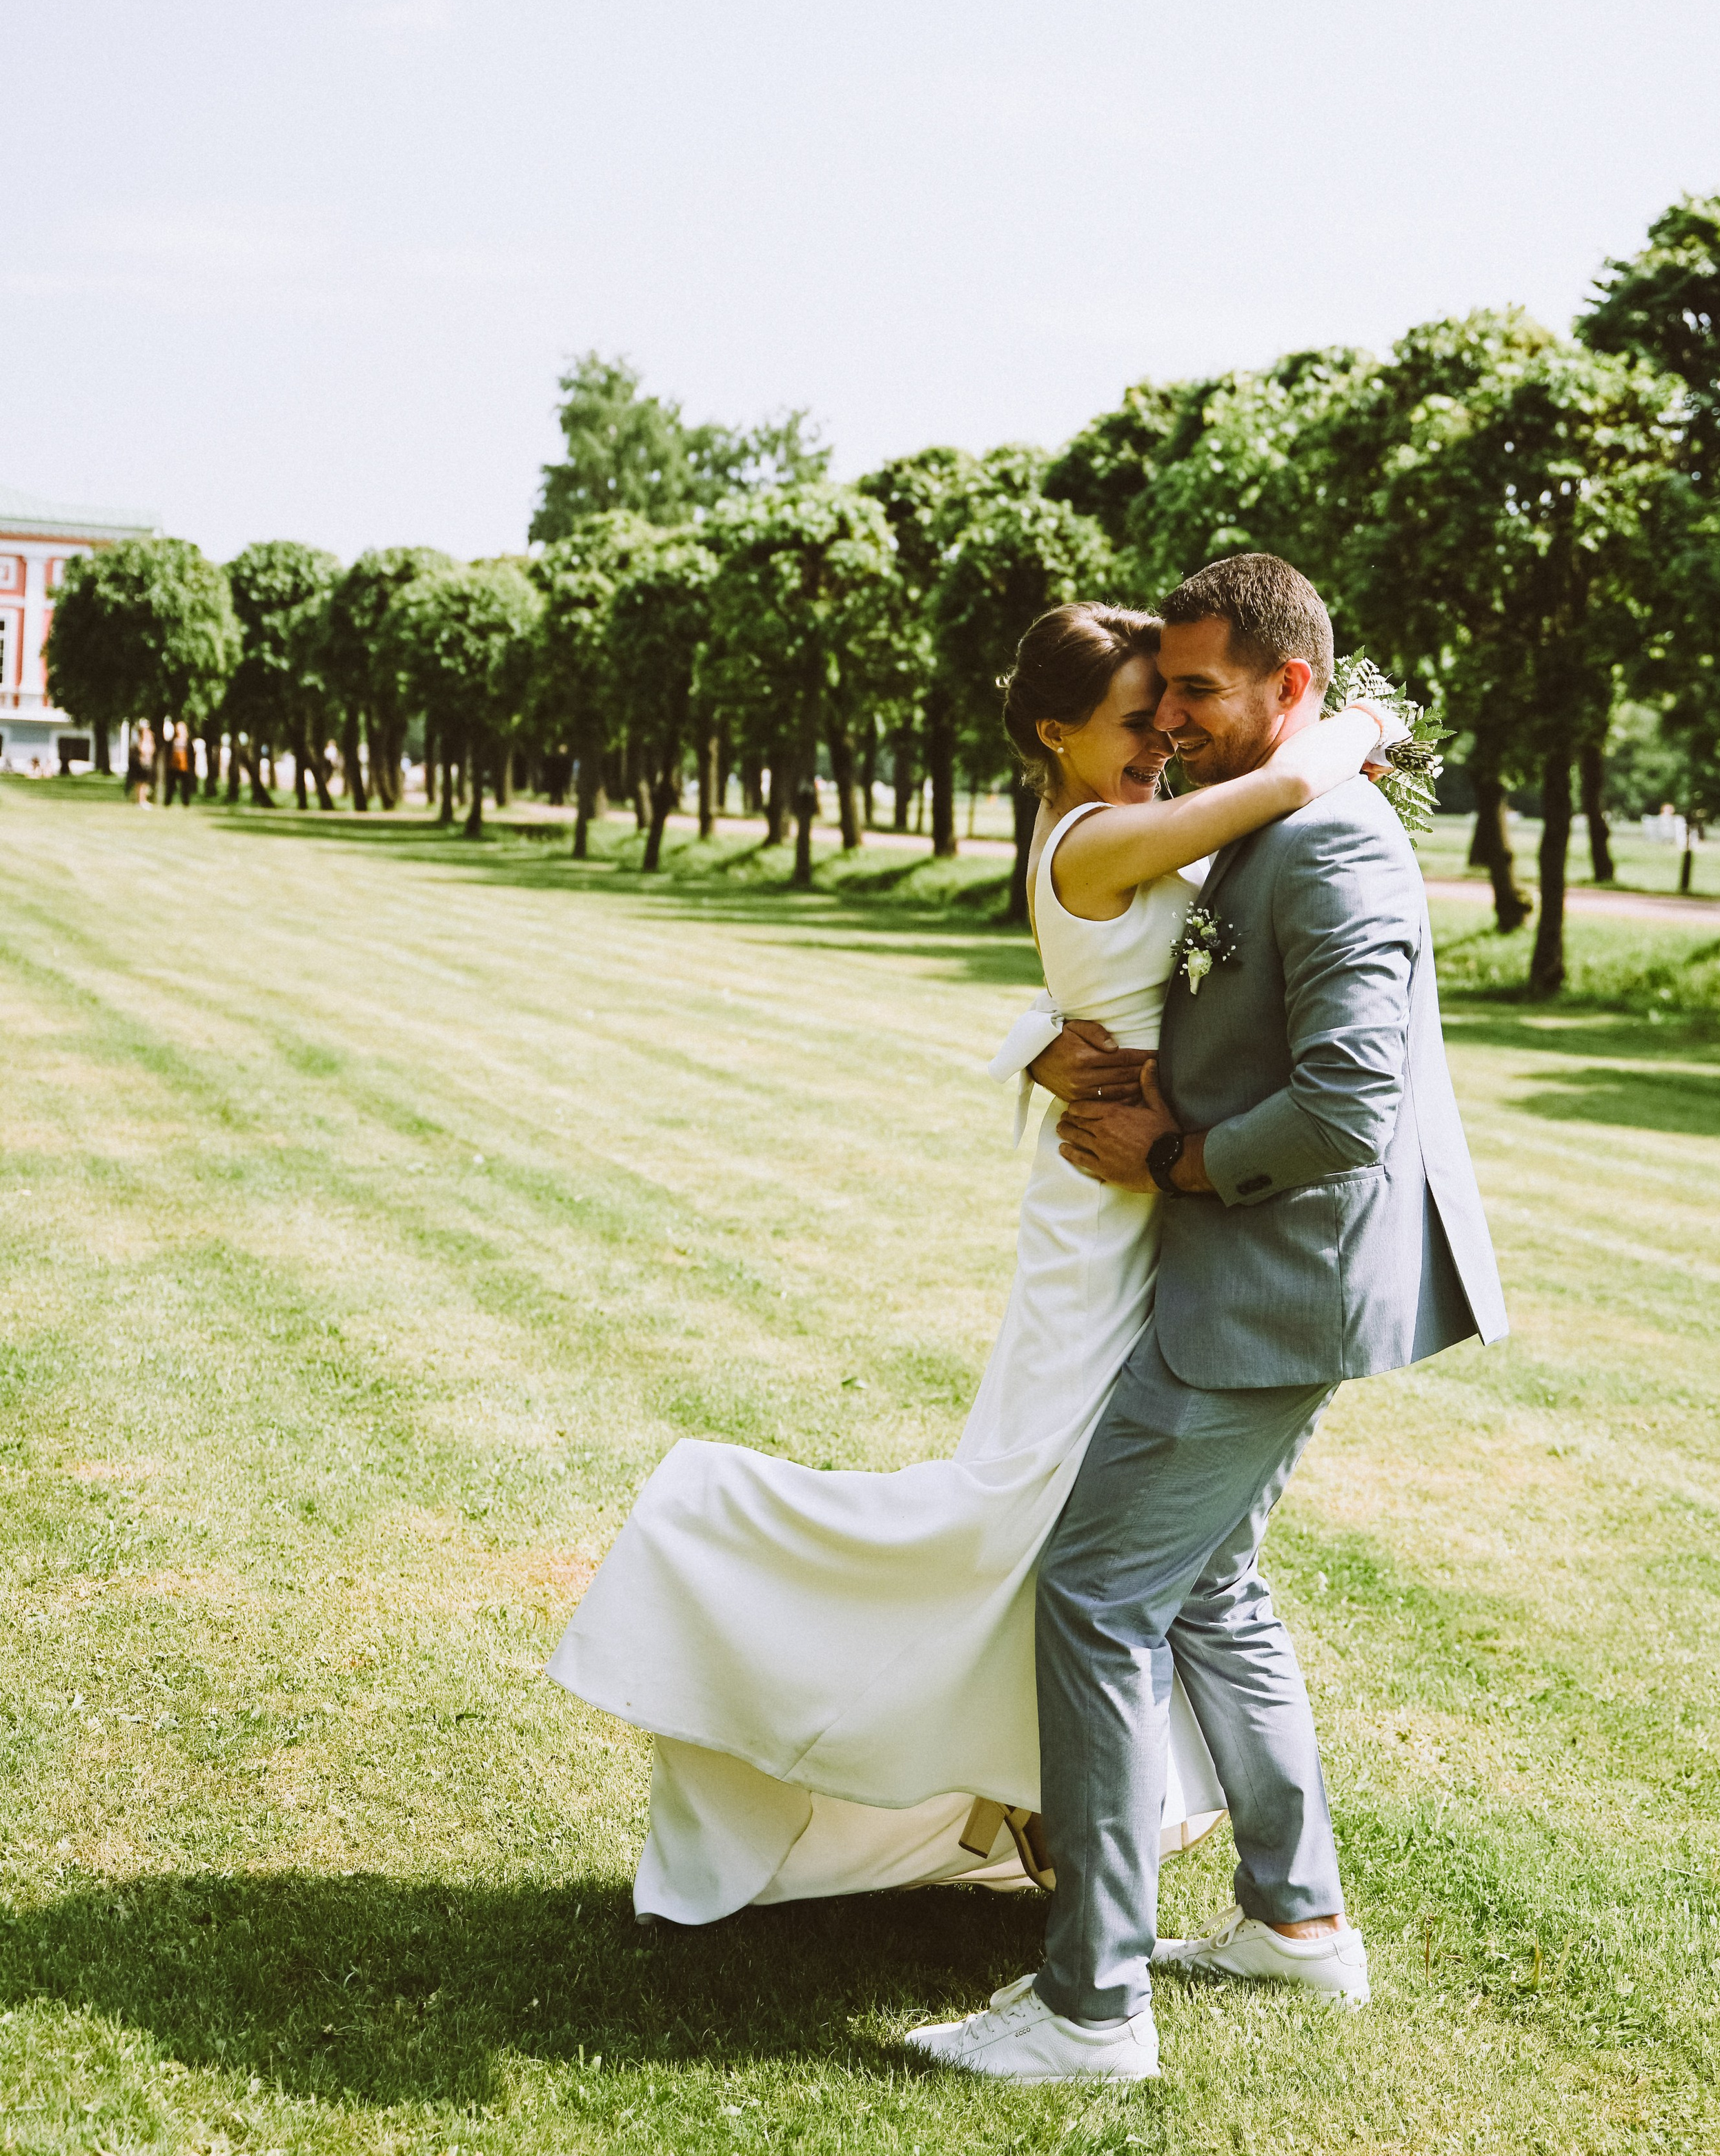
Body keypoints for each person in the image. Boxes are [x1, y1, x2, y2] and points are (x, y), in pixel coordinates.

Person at [546, 595, 1404, 1932]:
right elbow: (1285, 786)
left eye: (1171, 713)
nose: (1164, 741)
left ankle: (1045, 1797)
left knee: (1089, 1531)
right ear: (1056, 734)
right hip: (1106, 1215)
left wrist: (1036, 1039)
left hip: (1160, 1208)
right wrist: (1362, 722)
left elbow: (1139, 970)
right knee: (1024, 1508)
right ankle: (715, 1532)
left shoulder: (1109, 823)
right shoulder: (1099, 836)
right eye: (1137, 720)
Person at [905, 555, 1506, 2085]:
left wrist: (1173, 1158)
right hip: (1243, 1266)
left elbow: (1352, 1105)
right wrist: (1046, 1043)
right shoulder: (1253, 813)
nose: (1169, 719)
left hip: (1272, 1277)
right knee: (1212, 1593)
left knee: (1098, 1595)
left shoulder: (1331, 841)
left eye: (1193, 691)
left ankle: (1091, 2006)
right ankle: (1297, 1925)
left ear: (1288, 687)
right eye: (1155, 693)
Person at [166, 720, 196, 807]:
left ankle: (186, 803)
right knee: (171, 786)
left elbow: (191, 755)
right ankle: (167, 803)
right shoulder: (173, 741)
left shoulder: (188, 742)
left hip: (185, 766)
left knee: (185, 786)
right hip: (173, 766)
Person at [126, 723, 155, 808]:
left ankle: (144, 800)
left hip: (147, 765)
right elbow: (142, 751)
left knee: (145, 784)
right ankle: (140, 801)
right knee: (139, 784)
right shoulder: (140, 743)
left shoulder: (149, 743)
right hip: (140, 766)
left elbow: (152, 751)